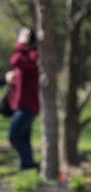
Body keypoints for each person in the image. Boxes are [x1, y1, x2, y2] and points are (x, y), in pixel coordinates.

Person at [5, 27, 39, 171]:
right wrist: (8, 78)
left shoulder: (33, 55)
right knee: (24, 139)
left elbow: (16, 59)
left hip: (27, 106)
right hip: (20, 105)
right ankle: (25, 170)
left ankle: (30, 165)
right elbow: (17, 67)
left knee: (14, 136)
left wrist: (20, 44)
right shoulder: (26, 55)